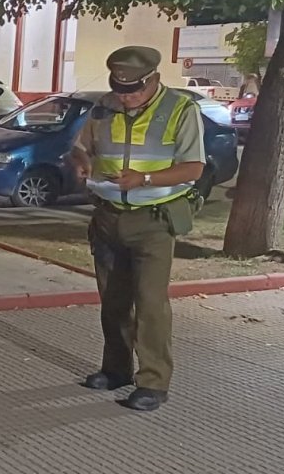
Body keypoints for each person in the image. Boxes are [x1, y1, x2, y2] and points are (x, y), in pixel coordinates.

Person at [71, 46, 206, 412]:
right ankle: (116, 370)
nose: (125, 97)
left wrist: (144, 179)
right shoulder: (103, 107)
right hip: (108, 216)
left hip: (154, 220)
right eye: (119, 89)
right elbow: (81, 147)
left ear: (154, 79)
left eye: (132, 90)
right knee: (113, 301)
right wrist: (81, 162)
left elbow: (193, 168)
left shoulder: (180, 110)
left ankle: (153, 383)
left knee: (150, 303)